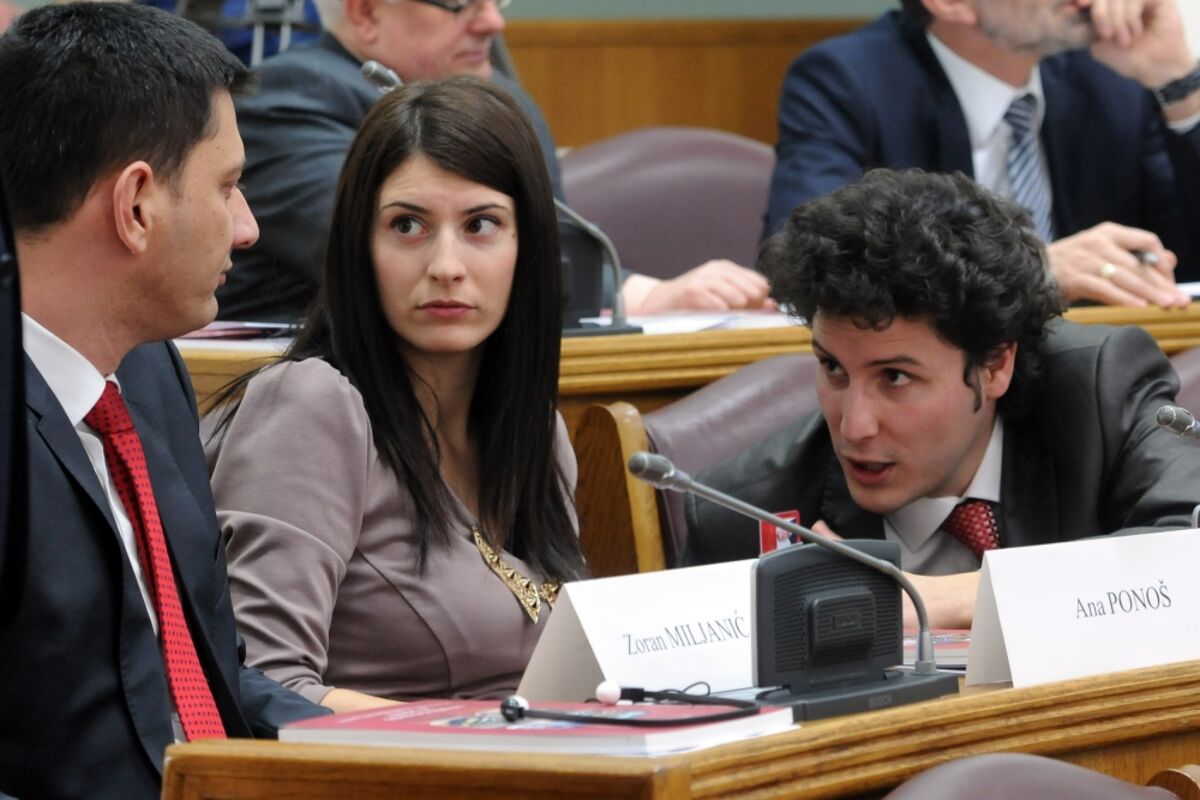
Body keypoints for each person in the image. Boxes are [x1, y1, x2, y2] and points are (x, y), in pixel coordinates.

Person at [0, 6, 327, 799]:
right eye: (228, 186)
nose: (247, 228)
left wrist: (405, 744)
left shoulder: (149, 371)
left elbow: (203, 685)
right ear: (136, 206)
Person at [205, 76, 589, 713]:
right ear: (360, 245)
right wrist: (489, 734)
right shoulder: (313, 406)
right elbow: (264, 690)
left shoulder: (536, 433)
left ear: (529, 248)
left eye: (481, 225)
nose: (446, 266)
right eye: (408, 225)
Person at [686, 169, 1200, 629]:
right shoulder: (741, 513)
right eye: (833, 368)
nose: (854, 427)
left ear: (995, 367)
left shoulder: (1103, 388)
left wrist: (954, 597)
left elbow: (1189, 550)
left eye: (895, 377)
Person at [216, 0, 771, 322]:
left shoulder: (502, 100)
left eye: (494, 1)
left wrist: (649, 295)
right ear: (365, 12)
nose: (492, 23)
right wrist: (646, 295)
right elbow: (391, 249)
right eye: (461, 4)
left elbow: (555, 245)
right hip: (327, 392)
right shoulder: (290, 97)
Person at [764, 0, 1200, 308]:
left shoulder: (1106, 77)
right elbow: (811, 260)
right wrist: (1029, 268)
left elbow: (1185, 252)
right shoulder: (848, 80)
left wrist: (1176, 79)